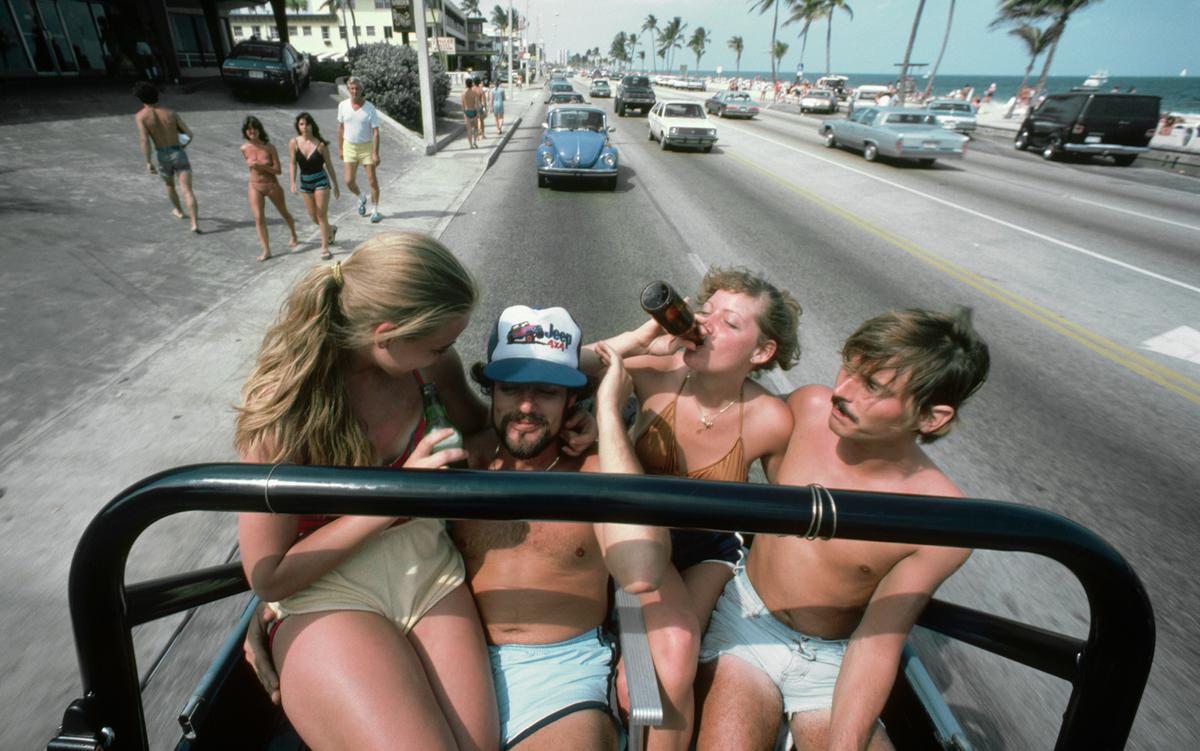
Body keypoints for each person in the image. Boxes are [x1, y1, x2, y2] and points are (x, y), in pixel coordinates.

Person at [236, 233, 498, 751]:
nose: (448, 354)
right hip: (327, 589)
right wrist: (398, 497)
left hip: (428, 572)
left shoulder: (429, 366)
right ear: (385, 335)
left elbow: (481, 433)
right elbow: (269, 575)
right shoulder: (285, 409)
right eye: (440, 343)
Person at [695, 308, 991, 751]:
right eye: (849, 367)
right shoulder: (809, 408)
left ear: (930, 418)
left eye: (873, 386)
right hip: (748, 626)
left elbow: (878, 641)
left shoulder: (941, 518)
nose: (842, 391)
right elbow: (714, 421)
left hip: (836, 659)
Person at [587, 267, 802, 749]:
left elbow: (785, 517)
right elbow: (573, 366)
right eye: (704, 313)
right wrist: (641, 340)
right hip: (634, 536)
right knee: (664, 658)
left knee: (673, 656)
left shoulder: (770, 419)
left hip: (709, 548)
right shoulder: (657, 376)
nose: (704, 326)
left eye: (730, 324)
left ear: (762, 351)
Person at [451, 304, 672, 750]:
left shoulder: (597, 470)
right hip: (450, 661)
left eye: (547, 392)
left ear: (573, 399)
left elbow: (642, 569)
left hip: (560, 673)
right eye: (511, 389)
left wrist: (610, 410)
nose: (527, 406)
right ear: (491, 389)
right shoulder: (459, 460)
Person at [132, 81, 200, 233]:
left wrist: (148, 161)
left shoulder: (141, 116)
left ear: (141, 99)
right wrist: (181, 147)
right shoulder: (170, 113)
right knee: (187, 190)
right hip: (178, 152)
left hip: (162, 154)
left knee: (170, 185)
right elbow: (189, 134)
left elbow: (145, 140)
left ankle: (179, 211)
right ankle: (194, 223)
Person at [240, 116, 298, 262]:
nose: (252, 131)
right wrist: (256, 170)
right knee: (259, 218)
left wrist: (262, 167)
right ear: (246, 132)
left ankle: (293, 234)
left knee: (284, 213)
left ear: (259, 129)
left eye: (254, 128)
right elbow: (250, 169)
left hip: (271, 185)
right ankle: (266, 250)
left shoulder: (269, 147)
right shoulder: (244, 148)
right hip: (254, 185)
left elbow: (278, 170)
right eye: (249, 129)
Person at [289, 112, 340, 260]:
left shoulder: (321, 145)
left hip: (320, 181)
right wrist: (292, 182)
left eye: (307, 124)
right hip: (305, 182)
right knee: (313, 217)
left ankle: (324, 248)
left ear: (312, 125)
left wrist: (335, 185)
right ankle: (331, 229)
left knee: (321, 215)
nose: (304, 127)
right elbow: (292, 163)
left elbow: (329, 166)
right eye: (301, 124)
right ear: (298, 126)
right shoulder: (294, 143)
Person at [338, 76, 383, 223]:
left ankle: (375, 210)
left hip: (366, 148)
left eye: (357, 88)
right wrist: (340, 148)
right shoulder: (343, 106)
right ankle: (361, 197)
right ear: (348, 89)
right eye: (351, 88)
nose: (354, 91)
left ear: (361, 90)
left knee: (372, 180)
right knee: (348, 180)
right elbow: (341, 127)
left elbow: (375, 131)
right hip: (349, 146)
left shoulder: (370, 108)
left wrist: (375, 153)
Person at [462, 78, 481, 148]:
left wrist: (464, 113)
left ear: (466, 84)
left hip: (467, 111)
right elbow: (476, 104)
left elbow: (463, 105)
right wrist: (478, 113)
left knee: (469, 129)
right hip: (474, 111)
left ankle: (470, 145)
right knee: (475, 128)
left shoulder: (463, 93)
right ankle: (475, 142)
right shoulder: (474, 93)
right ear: (471, 84)